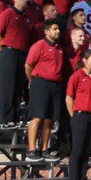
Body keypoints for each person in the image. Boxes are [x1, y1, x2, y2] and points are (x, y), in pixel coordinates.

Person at [24, 20, 65, 161]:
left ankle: (44, 148)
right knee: (37, 117)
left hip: (55, 86)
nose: (58, 31)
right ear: (47, 31)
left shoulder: (59, 48)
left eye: (58, 29)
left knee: (49, 119)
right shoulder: (39, 45)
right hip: (40, 84)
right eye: (55, 29)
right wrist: (32, 81)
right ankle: (31, 149)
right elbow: (28, 65)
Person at [0, 0, 31, 127]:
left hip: (22, 54)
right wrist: (2, 51)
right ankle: (5, 119)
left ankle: (14, 118)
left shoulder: (26, 18)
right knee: (7, 87)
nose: (26, 0)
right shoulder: (7, 14)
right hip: (9, 52)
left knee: (17, 87)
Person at [65, 49, 91, 180]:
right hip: (80, 116)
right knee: (78, 150)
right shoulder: (77, 76)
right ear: (84, 60)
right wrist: (73, 115)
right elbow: (69, 98)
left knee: (87, 151)